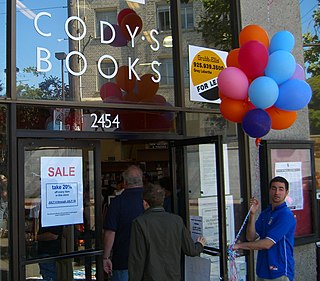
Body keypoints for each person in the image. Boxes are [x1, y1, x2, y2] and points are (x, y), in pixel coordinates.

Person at [128, 184, 206, 281]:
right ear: (162, 201)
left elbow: (137, 260)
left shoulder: (139, 223)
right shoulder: (177, 220)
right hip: (173, 277)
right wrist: (200, 245)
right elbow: (190, 250)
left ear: (145, 203)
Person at [233, 176, 296, 281]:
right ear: (270, 190)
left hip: (279, 272)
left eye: (281, 189)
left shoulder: (286, 215)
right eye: (274, 188)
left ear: (286, 192)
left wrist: (239, 245)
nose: (277, 192)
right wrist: (252, 214)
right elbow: (251, 237)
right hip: (263, 271)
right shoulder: (266, 213)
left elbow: (267, 244)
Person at [103, 165, 144, 281]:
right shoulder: (149, 200)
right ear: (141, 180)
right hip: (149, 261)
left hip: (123, 260)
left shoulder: (117, 203)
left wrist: (106, 257)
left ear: (125, 182)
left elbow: (110, 233)